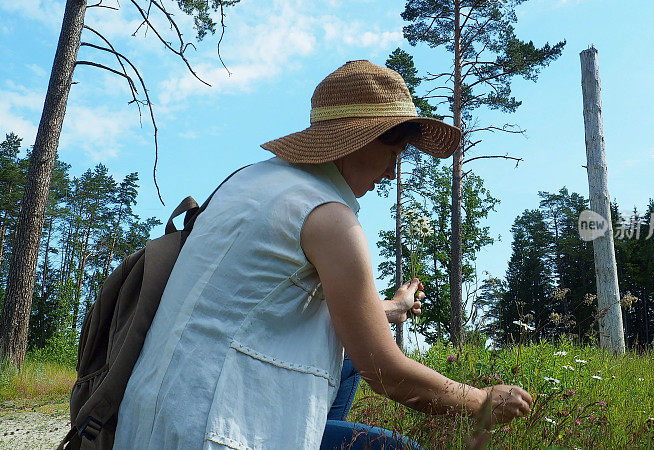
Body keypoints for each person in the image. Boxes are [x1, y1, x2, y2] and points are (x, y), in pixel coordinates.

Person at [114, 60, 532, 449]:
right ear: (359, 141)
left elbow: (263, 301)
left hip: (148, 419)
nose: (392, 173)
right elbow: (385, 373)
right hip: (214, 429)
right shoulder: (330, 219)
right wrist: (479, 400)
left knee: (345, 361)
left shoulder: (250, 180)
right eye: (394, 153)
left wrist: (392, 307)